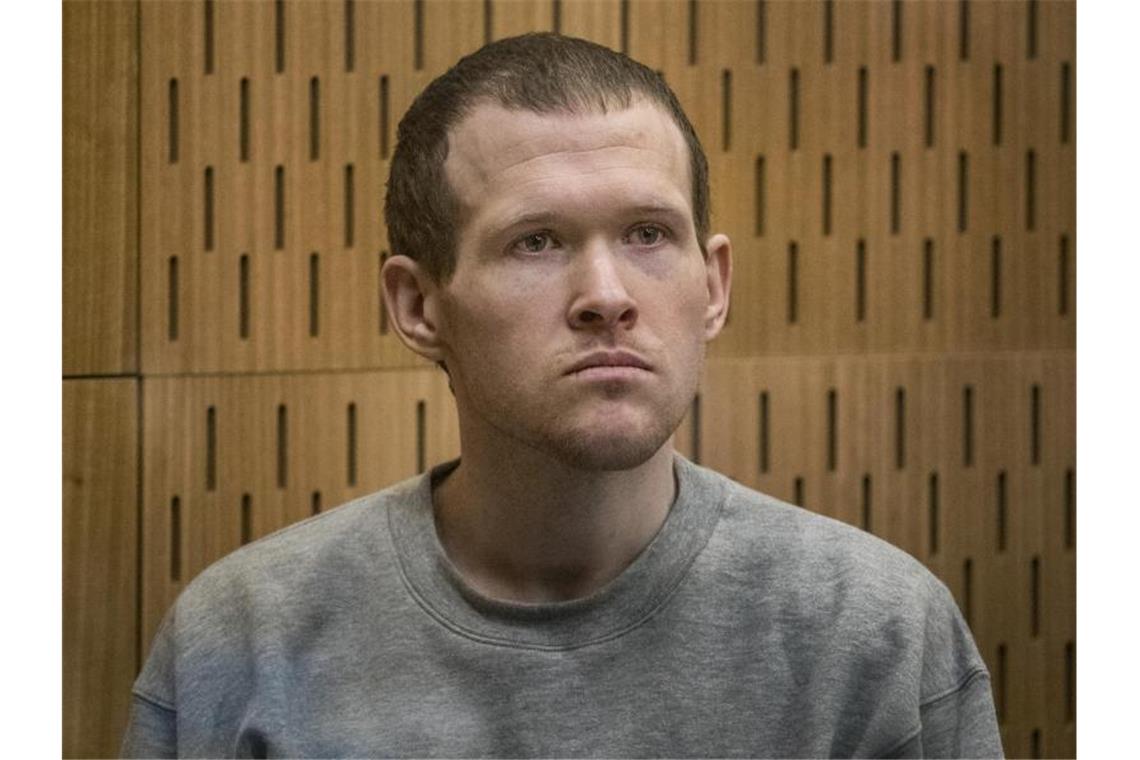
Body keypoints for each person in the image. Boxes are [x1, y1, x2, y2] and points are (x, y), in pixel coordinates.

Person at [122, 33, 1002, 758]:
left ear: (714, 285)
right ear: (419, 306)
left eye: (648, 233)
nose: (606, 296)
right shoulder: (242, 644)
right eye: (536, 241)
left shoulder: (876, 634)